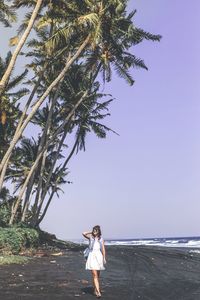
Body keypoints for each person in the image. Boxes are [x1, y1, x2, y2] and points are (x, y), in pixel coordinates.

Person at [82, 225, 106, 298]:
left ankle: (95, 290)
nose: (94, 232)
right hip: (91, 256)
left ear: (98, 231)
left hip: (99, 256)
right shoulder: (90, 238)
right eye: (94, 230)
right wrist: (91, 232)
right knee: (94, 275)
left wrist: (104, 258)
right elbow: (83, 233)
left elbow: (103, 249)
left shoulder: (101, 239)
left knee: (97, 276)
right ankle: (98, 292)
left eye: (96, 231)